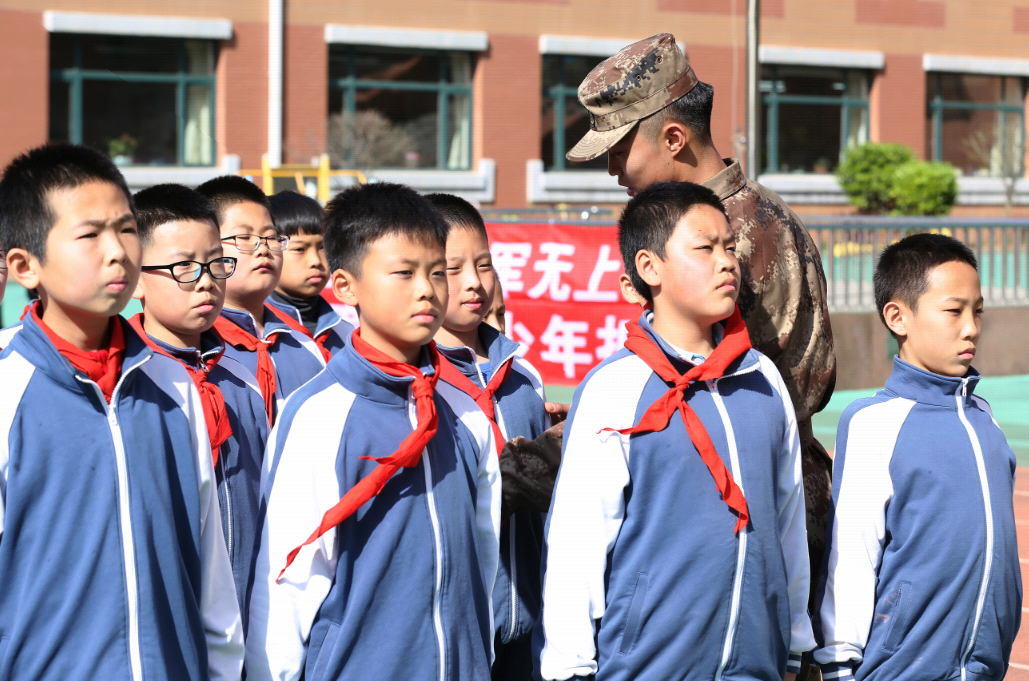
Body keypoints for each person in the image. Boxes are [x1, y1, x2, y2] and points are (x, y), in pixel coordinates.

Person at [567, 32, 836, 616]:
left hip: (755, 518)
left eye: (618, 150)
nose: (613, 169)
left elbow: (767, 398)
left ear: (672, 137)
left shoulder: (748, 235)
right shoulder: (711, 223)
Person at [537, 181, 813, 681]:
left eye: (729, 247)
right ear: (648, 268)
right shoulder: (614, 388)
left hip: (759, 664)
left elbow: (788, 521)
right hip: (647, 666)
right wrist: (570, 667)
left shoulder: (763, 379)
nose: (726, 261)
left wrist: (793, 644)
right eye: (704, 248)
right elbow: (578, 540)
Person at [0, 143, 243, 679]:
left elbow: (211, 576)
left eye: (127, 228)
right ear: (24, 265)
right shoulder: (7, 392)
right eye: (89, 234)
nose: (118, 252)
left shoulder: (173, 385)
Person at [245, 182, 500, 681]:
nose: (427, 289)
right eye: (403, 273)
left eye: (436, 272)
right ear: (345, 286)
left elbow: (484, 554)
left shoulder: (465, 409)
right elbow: (288, 581)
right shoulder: (319, 415)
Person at [814, 233, 1021, 681]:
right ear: (897, 317)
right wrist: (839, 664)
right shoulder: (873, 423)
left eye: (977, 311)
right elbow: (851, 556)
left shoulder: (985, 419)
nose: (971, 327)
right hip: (902, 670)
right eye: (953, 311)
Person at [129, 183, 270, 628]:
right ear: (134, 279)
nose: (207, 280)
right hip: (159, 623)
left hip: (248, 618)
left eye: (216, 264)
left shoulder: (243, 381)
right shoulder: (129, 386)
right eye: (184, 267)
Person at [427, 193, 550, 681]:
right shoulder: (418, 384)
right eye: (453, 269)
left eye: (485, 264)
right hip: (451, 632)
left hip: (532, 626)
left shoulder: (524, 378)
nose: (475, 283)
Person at [196, 176, 325, 422]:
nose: (263, 248)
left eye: (271, 237)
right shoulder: (198, 346)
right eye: (244, 238)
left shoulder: (303, 343)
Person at [266, 190, 353, 358]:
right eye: (299, 249)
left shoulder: (345, 334)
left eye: (322, 247)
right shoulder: (257, 332)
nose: (316, 261)